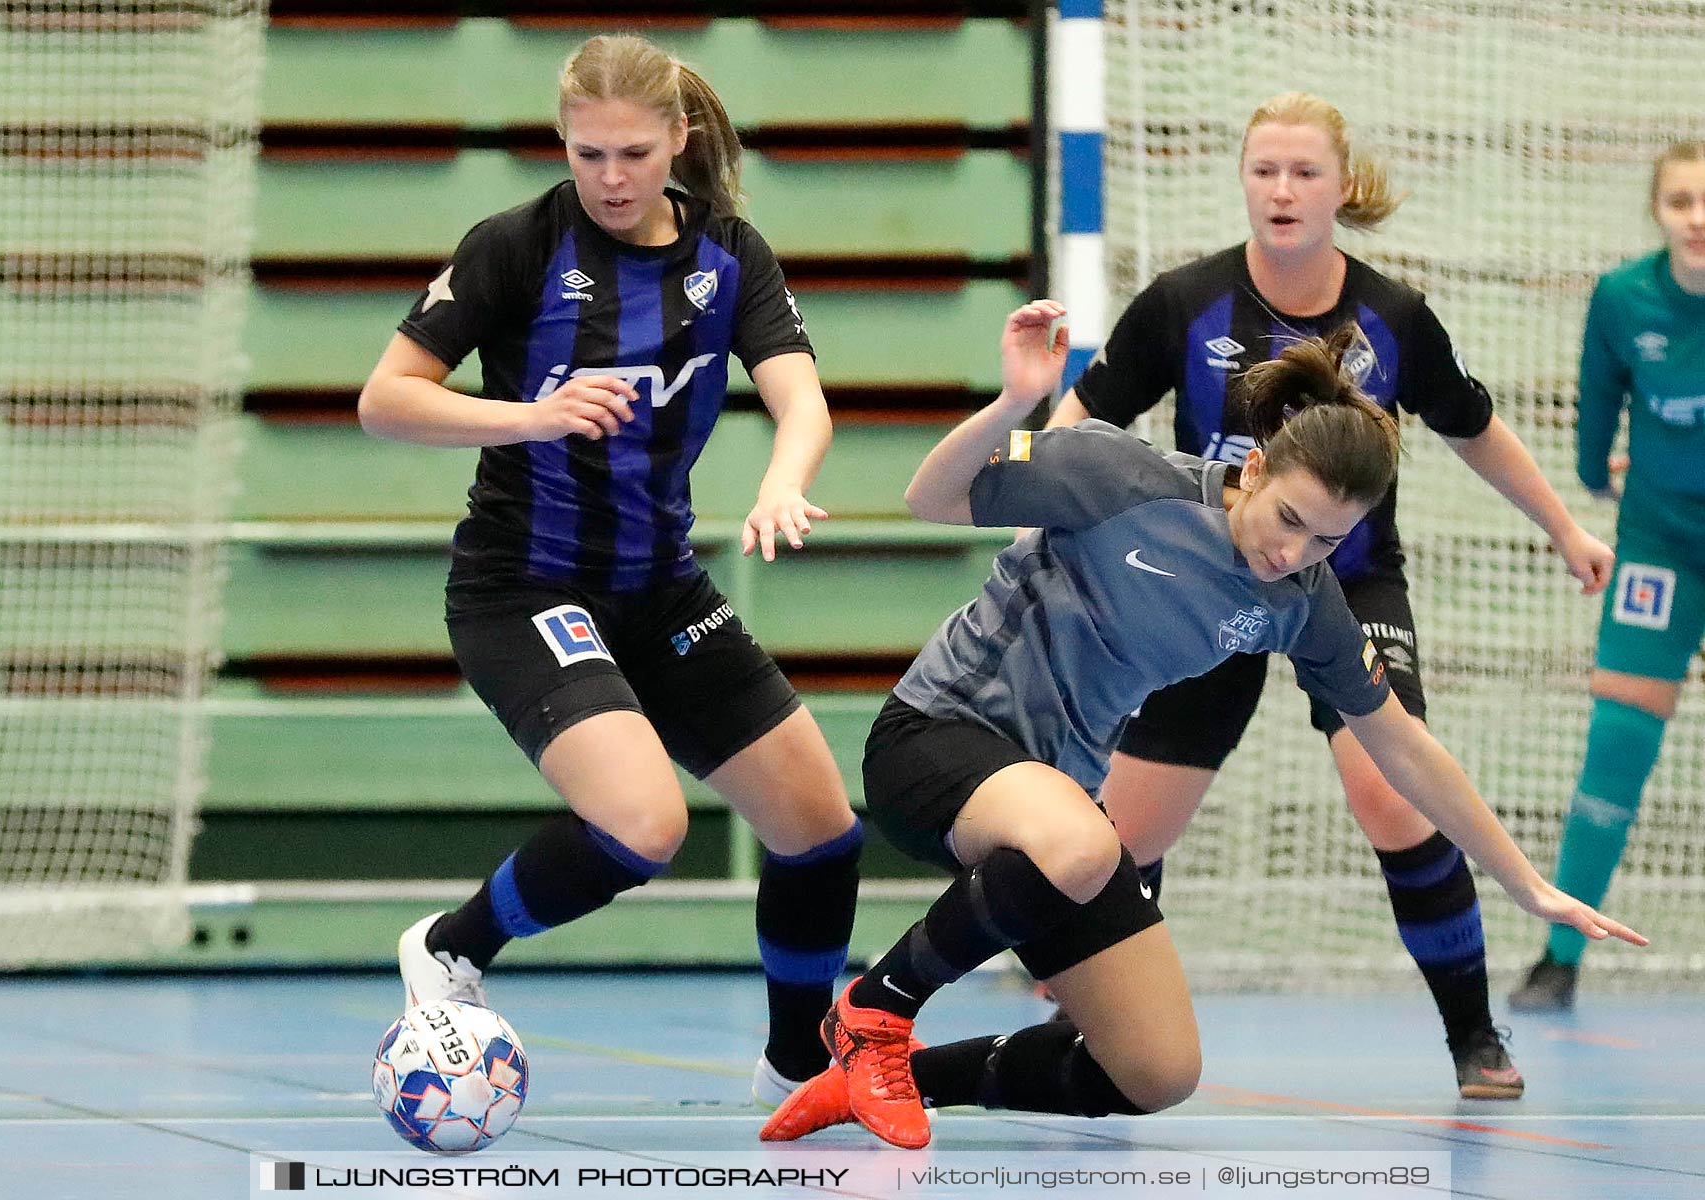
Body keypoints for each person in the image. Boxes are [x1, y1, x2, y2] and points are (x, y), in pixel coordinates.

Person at [757, 302, 1644, 1150]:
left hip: (1049, 812)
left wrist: (1526, 884)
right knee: (1086, 844)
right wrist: (1013, 404)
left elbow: (1405, 749)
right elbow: (930, 498)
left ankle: (899, 1077)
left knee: (1152, 1070)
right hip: (935, 739)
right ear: (1254, 470)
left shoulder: (1302, 601)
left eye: (1327, 542)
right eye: (1290, 519)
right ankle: (875, 1012)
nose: (1292, 554)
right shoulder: (1119, 475)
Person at [1042, 92, 1617, 1098]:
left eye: (1304, 172)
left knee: (1392, 795)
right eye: (1264, 170)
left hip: (1344, 588)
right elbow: (1080, 416)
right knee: (1120, 837)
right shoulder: (1184, 304)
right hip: (1207, 583)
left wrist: (1563, 527)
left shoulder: (1392, 317)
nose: (1281, 190)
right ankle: (1100, 1017)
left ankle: (1474, 1036)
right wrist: (1036, 502)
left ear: (1339, 187)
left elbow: (1473, 428)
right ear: (1242, 180)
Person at [357, 33, 862, 1106]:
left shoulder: (729, 255)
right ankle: (450, 947)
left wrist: (783, 480)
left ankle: (796, 1062)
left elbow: (800, 396)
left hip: (661, 590)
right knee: (646, 825)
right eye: (589, 155)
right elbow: (385, 399)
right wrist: (531, 415)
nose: (612, 178)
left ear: (676, 138)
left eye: (633, 153)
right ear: (564, 143)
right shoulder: (517, 247)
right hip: (525, 587)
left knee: (818, 827)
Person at [1510, 141, 1705, 1011]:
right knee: (1615, 748)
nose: (1696, 216)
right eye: (1678, 200)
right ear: (1656, 210)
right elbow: (1596, 403)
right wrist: (1593, 471)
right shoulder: (1623, 297)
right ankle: (1559, 957)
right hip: (1659, 544)